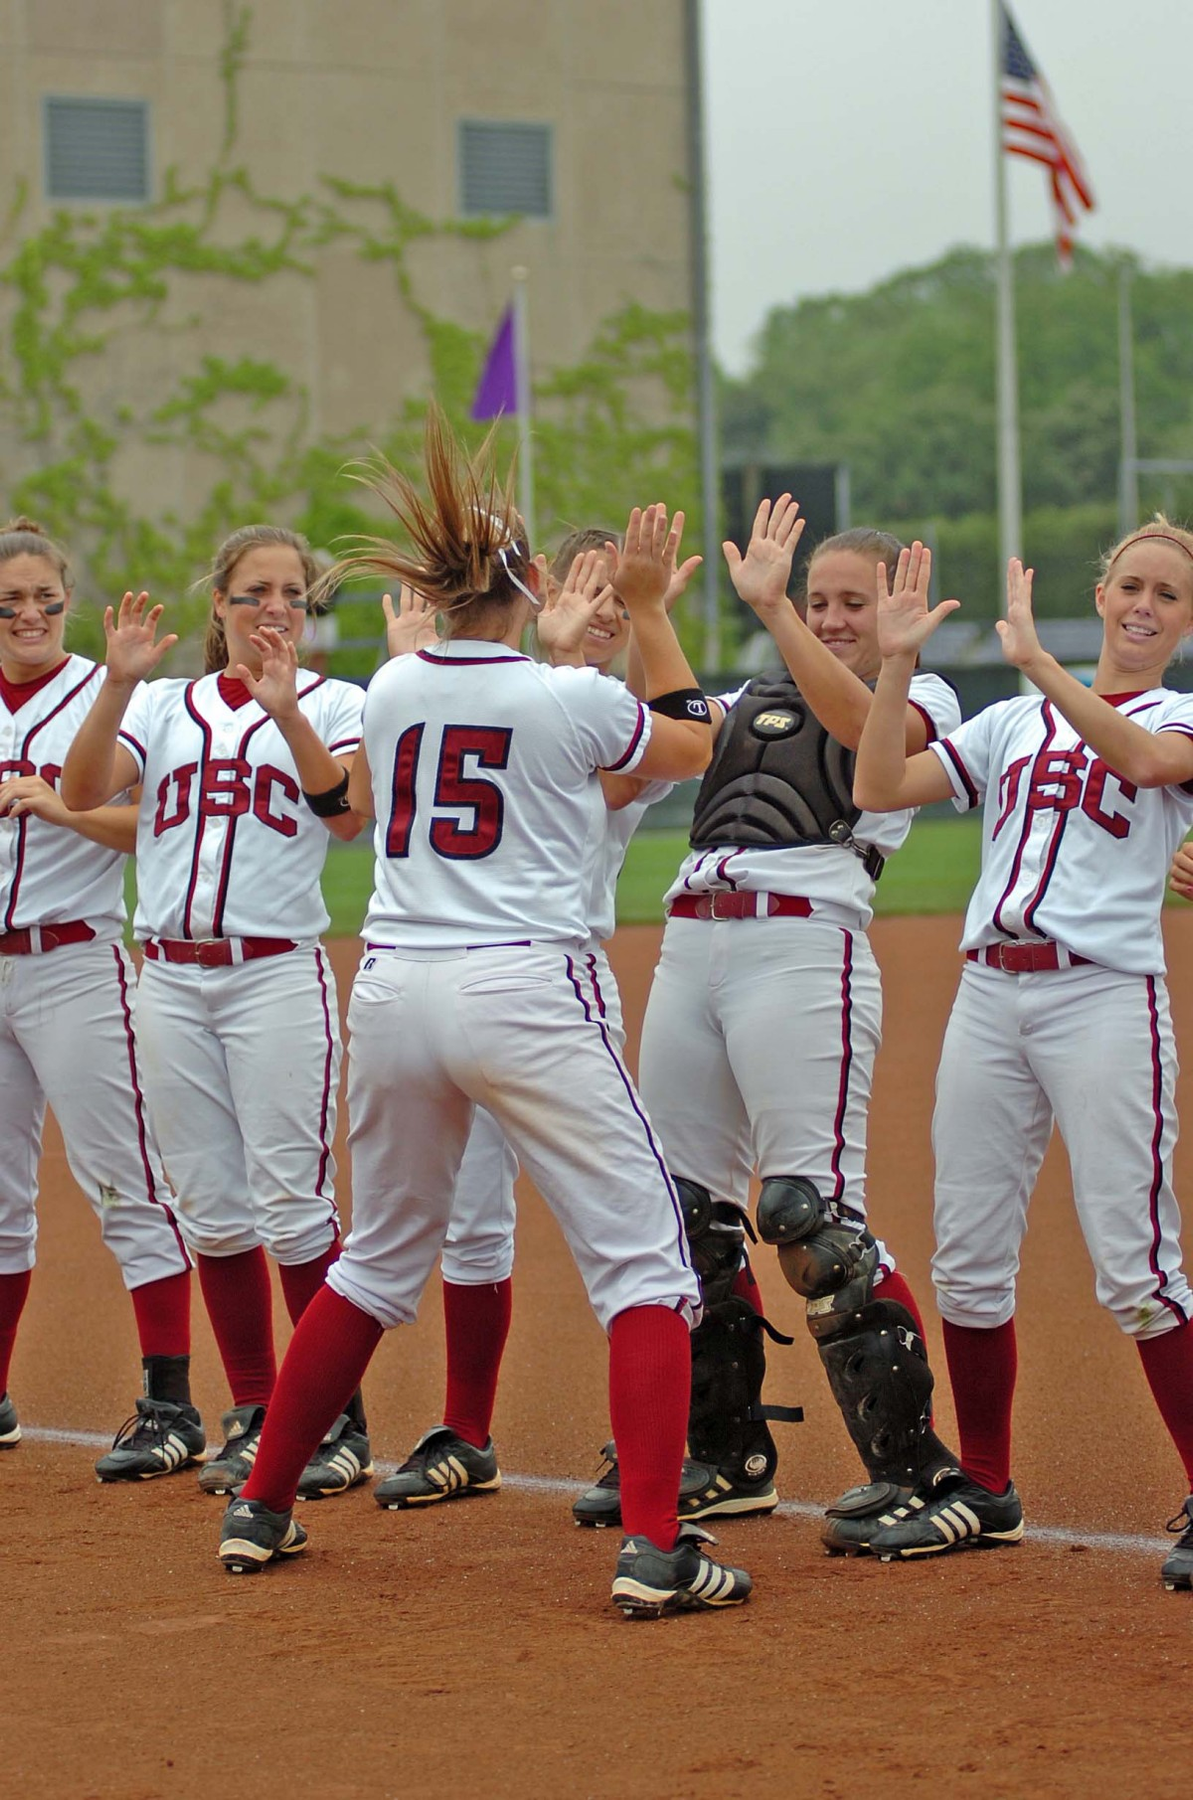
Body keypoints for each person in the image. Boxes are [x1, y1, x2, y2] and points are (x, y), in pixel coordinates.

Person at [211, 412, 752, 1620]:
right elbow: (701, 744)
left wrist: (537, 627)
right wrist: (650, 612)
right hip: (525, 984)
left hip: (397, 984)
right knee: (645, 1268)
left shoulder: (396, 686)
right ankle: (658, 1551)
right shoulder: (564, 699)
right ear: (526, 590)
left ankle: (263, 1501)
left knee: (375, 1257)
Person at [575, 500, 963, 1552]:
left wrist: (773, 611)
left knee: (808, 1217)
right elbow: (667, 747)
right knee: (684, 1210)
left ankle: (921, 1477)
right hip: (694, 939)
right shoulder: (743, 697)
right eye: (819, 600)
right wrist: (649, 613)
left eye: (851, 602)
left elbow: (854, 731)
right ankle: (725, 1453)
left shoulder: (914, 689)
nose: (831, 618)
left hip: (803, 942)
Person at [852, 526, 1193, 1588]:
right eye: (1129, 584)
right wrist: (897, 659)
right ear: (1097, 593)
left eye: (1168, 595)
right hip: (990, 995)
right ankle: (984, 1485)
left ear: (1184, 621)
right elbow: (875, 785)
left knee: (1137, 1267)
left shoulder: (1176, 714)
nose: (1143, 605)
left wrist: (1041, 663)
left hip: (1102, 996)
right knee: (965, 1255)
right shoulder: (1007, 722)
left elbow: (1139, 761)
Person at [373, 524, 698, 1510]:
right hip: (487, 980)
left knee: (640, 1228)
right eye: (584, 589)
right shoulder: (550, 695)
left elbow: (615, 772)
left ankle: (663, 1449)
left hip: (558, 987)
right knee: (471, 1224)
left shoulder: (595, 707)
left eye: (618, 598)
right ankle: (465, 1432)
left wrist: (595, 640)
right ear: (543, 591)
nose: (599, 610)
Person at [60, 523, 373, 1501]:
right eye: (254, 592)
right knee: (211, 1206)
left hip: (272, 973)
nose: (275, 608)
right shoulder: (159, 705)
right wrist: (112, 683)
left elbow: (347, 815)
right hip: (170, 977)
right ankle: (252, 1410)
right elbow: (77, 791)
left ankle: (333, 1424)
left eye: (292, 593)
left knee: (290, 1202)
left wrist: (287, 715)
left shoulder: (338, 702)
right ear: (219, 607)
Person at [0, 516, 198, 1481]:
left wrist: (62, 803)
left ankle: (171, 1403)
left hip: (72, 963)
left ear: (68, 604)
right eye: (10, 602)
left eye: (45, 599)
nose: (29, 614)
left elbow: (158, 828)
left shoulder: (117, 695)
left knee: (124, 1181)